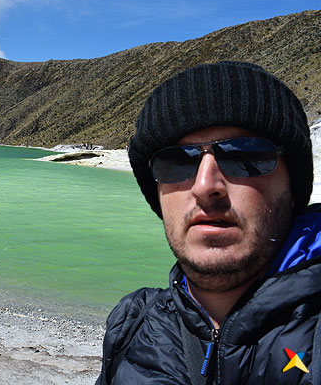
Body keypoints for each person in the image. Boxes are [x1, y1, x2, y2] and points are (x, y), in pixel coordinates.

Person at [96, 61, 321, 384]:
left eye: (244, 156)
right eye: (176, 162)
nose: (205, 185)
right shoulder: (133, 328)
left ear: (292, 186)